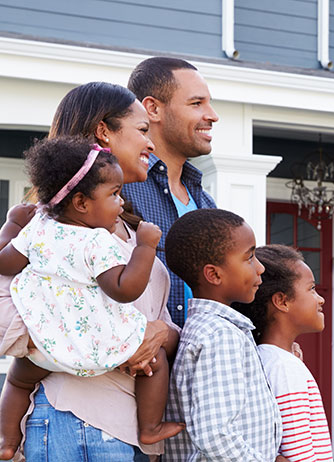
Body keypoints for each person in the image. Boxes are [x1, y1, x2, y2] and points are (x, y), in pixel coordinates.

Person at [0, 81, 180, 462]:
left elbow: (153, 320)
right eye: (143, 130)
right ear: (104, 132)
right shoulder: (48, 228)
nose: (152, 145)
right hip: (72, 420)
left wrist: (160, 334)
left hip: (123, 427)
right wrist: (72, 342)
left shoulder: (125, 229)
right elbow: (7, 311)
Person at [163, 209, 288, 462]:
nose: (260, 267)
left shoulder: (208, 329)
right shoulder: (220, 335)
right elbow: (215, 434)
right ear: (214, 274)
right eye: (249, 257)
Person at [123, 57, 219, 327]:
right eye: (196, 103)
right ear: (152, 109)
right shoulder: (119, 190)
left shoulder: (207, 205)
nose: (212, 115)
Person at [240, 245, 333, 462]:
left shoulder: (267, 359)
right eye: (311, 289)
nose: (321, 299)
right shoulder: (284, 368)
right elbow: (298, 455)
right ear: (282, 301)